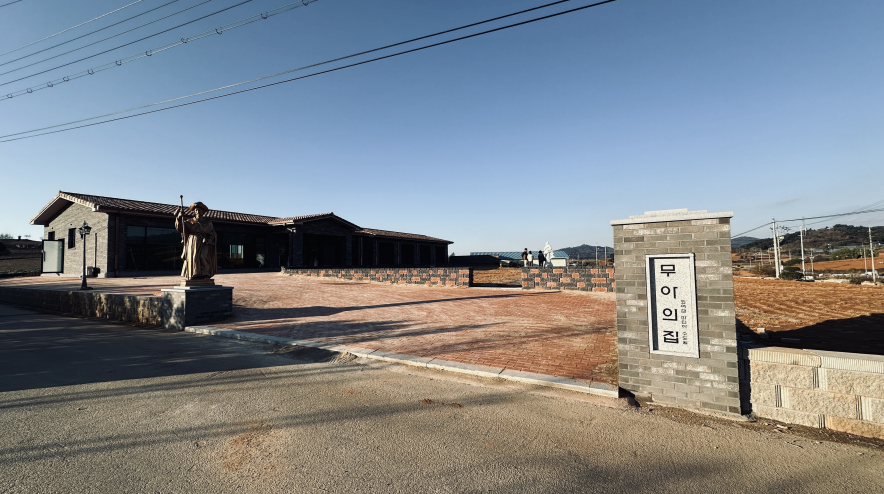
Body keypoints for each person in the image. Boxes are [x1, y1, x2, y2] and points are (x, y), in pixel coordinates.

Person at [175, 201, 217, 280]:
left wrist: (209, 238)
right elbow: (181, 228)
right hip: (193, 241)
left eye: (199, 210)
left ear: (203, 212)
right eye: (196, 210)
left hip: (205, 242)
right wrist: (179, 217)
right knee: (194, 257)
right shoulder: (189, 221)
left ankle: (206, 274)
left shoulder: (208, 223)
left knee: (203, 256)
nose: (197, 212)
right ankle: (194, 274)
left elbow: (212, 233)